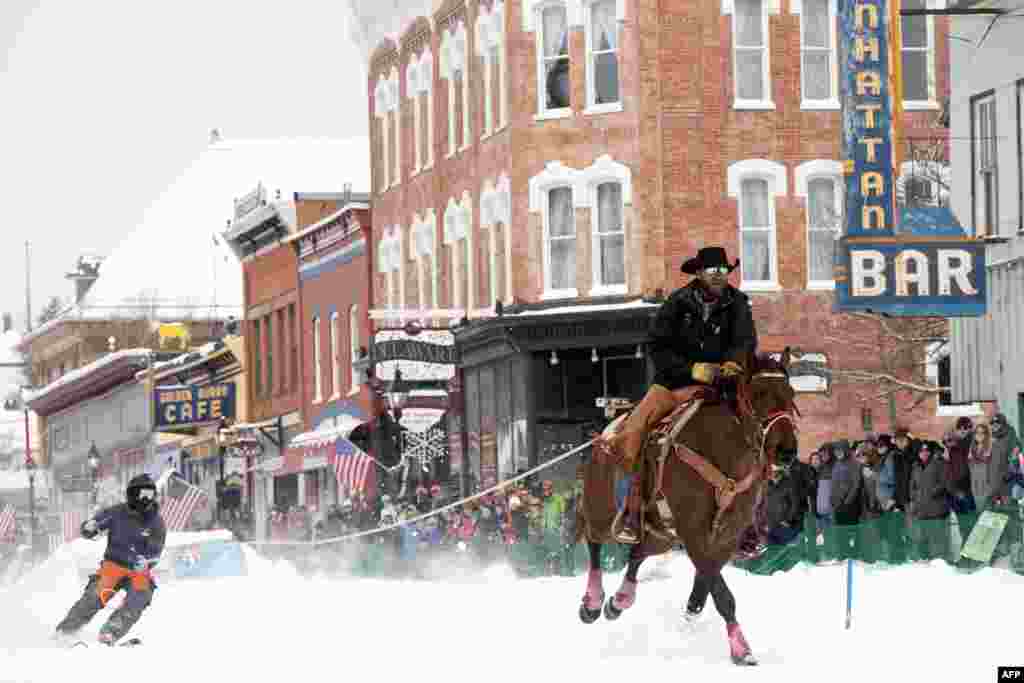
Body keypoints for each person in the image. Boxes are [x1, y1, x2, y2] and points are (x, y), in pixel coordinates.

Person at [595, 246, 757, 543]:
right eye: (712, 271)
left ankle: (751, 518)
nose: (719, 276)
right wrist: (693, 369)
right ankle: (633, 510)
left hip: (722, 389)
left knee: (758, 430)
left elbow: (745, 340)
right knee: (635, 431)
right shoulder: (676, 303)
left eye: (723, 271)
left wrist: (735, 362)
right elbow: (656, 346)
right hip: (672, 386)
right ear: (698, 273)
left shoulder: (739, 303)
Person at [53, 474, 166, 647]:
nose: (145, 499)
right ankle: (67, 629)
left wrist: (148, 561)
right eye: (142, 494)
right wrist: (89, 528)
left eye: (149, 495)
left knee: (140, 595)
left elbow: (156, 550)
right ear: (132, 494)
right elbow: (95, 524)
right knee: (97, 593)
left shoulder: (156, 522)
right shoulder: (117, 513)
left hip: (138, 569)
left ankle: (110, 631)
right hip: (113, 564)